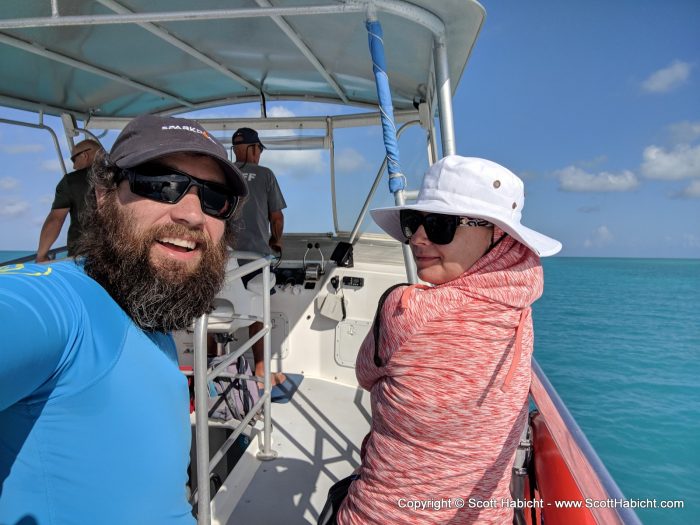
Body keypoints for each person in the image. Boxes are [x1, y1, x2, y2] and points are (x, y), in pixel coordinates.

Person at [0, 115, 248, 525]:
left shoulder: (143, 300)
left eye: (214, 198)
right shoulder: (58, 303)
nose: (192, 215)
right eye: (160, 184)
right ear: (102, 196)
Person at [333, 156, 562, 524]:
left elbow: (365, 374)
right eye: (414, 222)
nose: (418, 238)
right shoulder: (521, 308)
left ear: (498, 235)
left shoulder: (405, 310)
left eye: (440, 225)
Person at [230, 127, 288, 387]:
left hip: (224, 261)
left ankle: (212, 366)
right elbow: (276, 217)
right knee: (260, 311)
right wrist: (276, 241)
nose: (260, 154)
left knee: (214, 308)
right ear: (252, 149)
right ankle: (261, 371)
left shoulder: (223, 173)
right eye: (260, 149)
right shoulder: (265, 175)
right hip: (255, 259)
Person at [36, 138, 104, 261]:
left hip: (83, 257)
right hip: (117, 255)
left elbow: (56, 220)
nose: (73, 166)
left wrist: (41, 255)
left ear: (84, 155)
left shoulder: (71, 182)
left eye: (74, 159)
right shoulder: (121, 177)